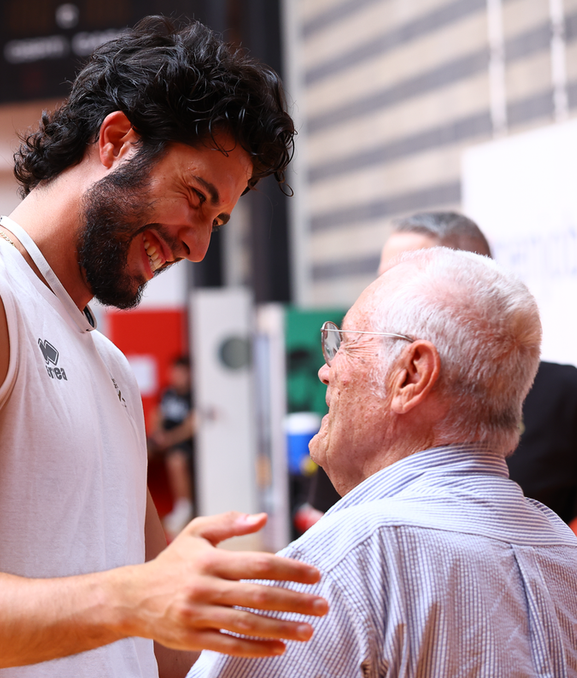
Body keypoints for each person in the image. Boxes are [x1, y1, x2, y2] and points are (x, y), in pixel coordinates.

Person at [0, 16, 328, 678]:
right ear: (117, 141)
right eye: (196, 197)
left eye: (217, 221)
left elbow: (163, 644)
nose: (198, 246)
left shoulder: (110, 366)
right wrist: (132, 599)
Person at [190, 247, 577, 677]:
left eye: (345, 344)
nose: (326, 370)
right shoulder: (562, 551)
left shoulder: (351, 558)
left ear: (411, 376)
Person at [306, 211, 577, 533]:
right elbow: (326, 528)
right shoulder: (358, 415)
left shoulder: (563, 394)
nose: (382, 291)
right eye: (381, 279)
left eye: (406, 275)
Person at [149, 355, 197, 537]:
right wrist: (157, 433)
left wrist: (169, 439)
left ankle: (184, 508)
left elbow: (190, 426)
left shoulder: (194, 395)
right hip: (163, 440)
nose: (176, 376)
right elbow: (156, 415)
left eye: (181, 373)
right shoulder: (167, 392)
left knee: (176, 460)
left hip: (181, 442)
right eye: (174, 372)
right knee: (138, 454)